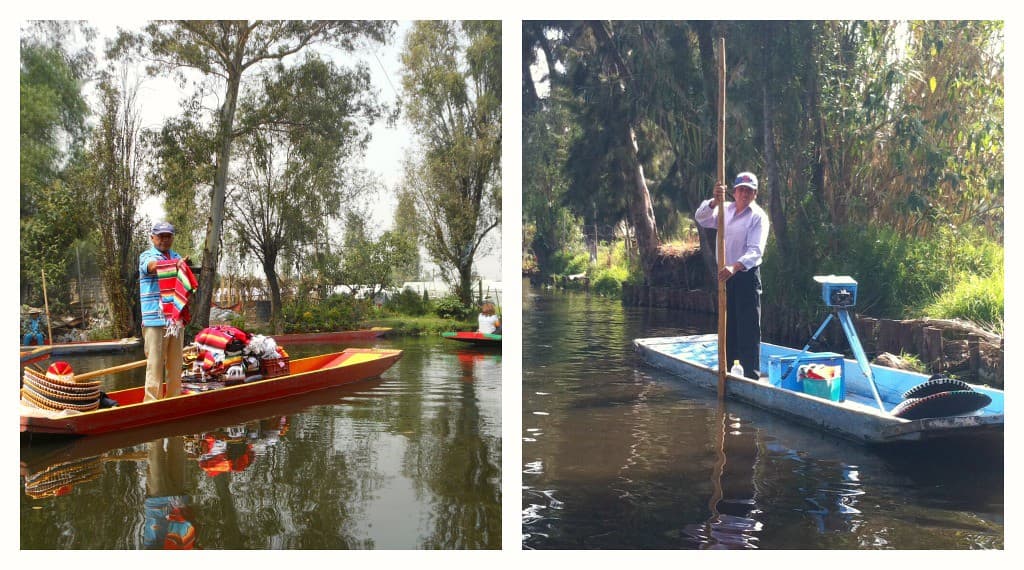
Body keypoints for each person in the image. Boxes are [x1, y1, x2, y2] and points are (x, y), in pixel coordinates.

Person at [694, 171, 770, 380]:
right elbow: (701, 218)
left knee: (748, 326)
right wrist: (713, 202)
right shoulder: (724, 210)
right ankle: (725, 370)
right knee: (727, 324)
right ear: (734, 192)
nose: (745, 194)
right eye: (741, 190)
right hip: (725, 277)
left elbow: (755, 251)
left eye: (749, 191)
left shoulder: (758, 217)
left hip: (746, 275)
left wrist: (734, 267)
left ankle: (750, 375)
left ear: (755, 194)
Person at [139, 221, 188, 402]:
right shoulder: (146, 256)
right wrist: (176, 265)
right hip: (155, 320)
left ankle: (174, 399)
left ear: (172, 238)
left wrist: (181, 265)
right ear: (152, 237)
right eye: (160, 236)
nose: (164, 240)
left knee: (176, 364)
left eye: (168, 236)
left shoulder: (176, 256)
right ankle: (152, 402)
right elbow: (151, 267)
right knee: (155, 364)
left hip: (174, 320)